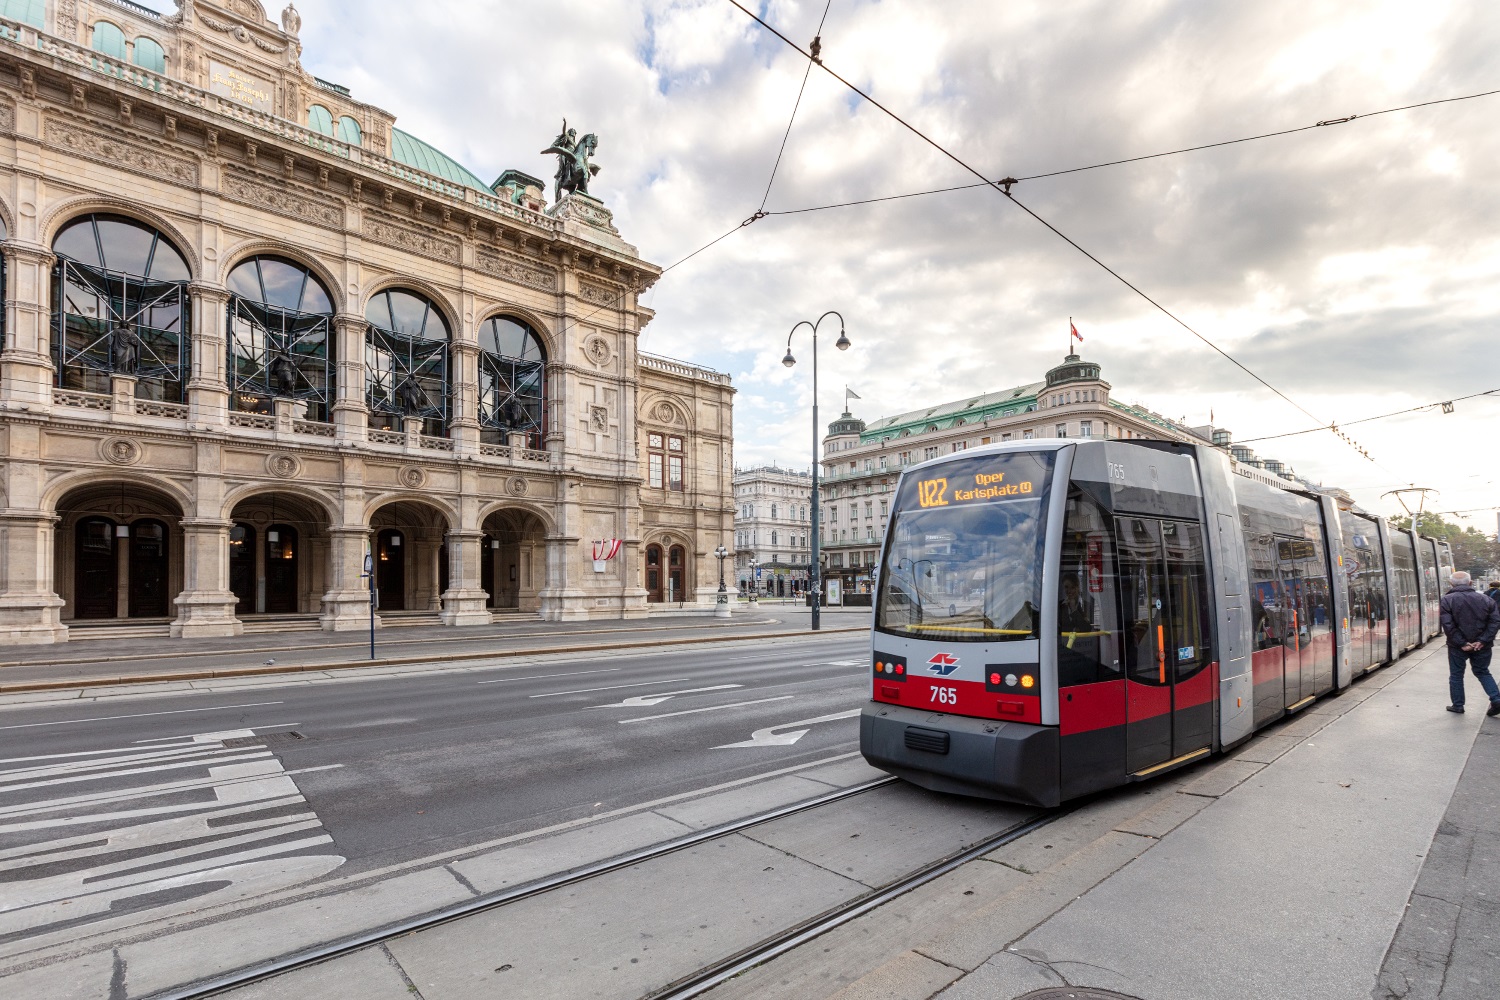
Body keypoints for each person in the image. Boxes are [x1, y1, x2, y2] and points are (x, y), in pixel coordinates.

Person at [1439, 570, 1500, 715]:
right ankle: (1496, 699)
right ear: (1471, 583)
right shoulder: (1487, 600)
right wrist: (1482, 641)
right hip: (1482, 646)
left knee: (1456, 675)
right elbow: (1495, 622)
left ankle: (1458, 705)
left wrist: (1462, 643)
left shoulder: (1447, 600)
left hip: (1457, 646)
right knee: (1482, 671)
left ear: (1451, 584)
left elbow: (1448, 625)